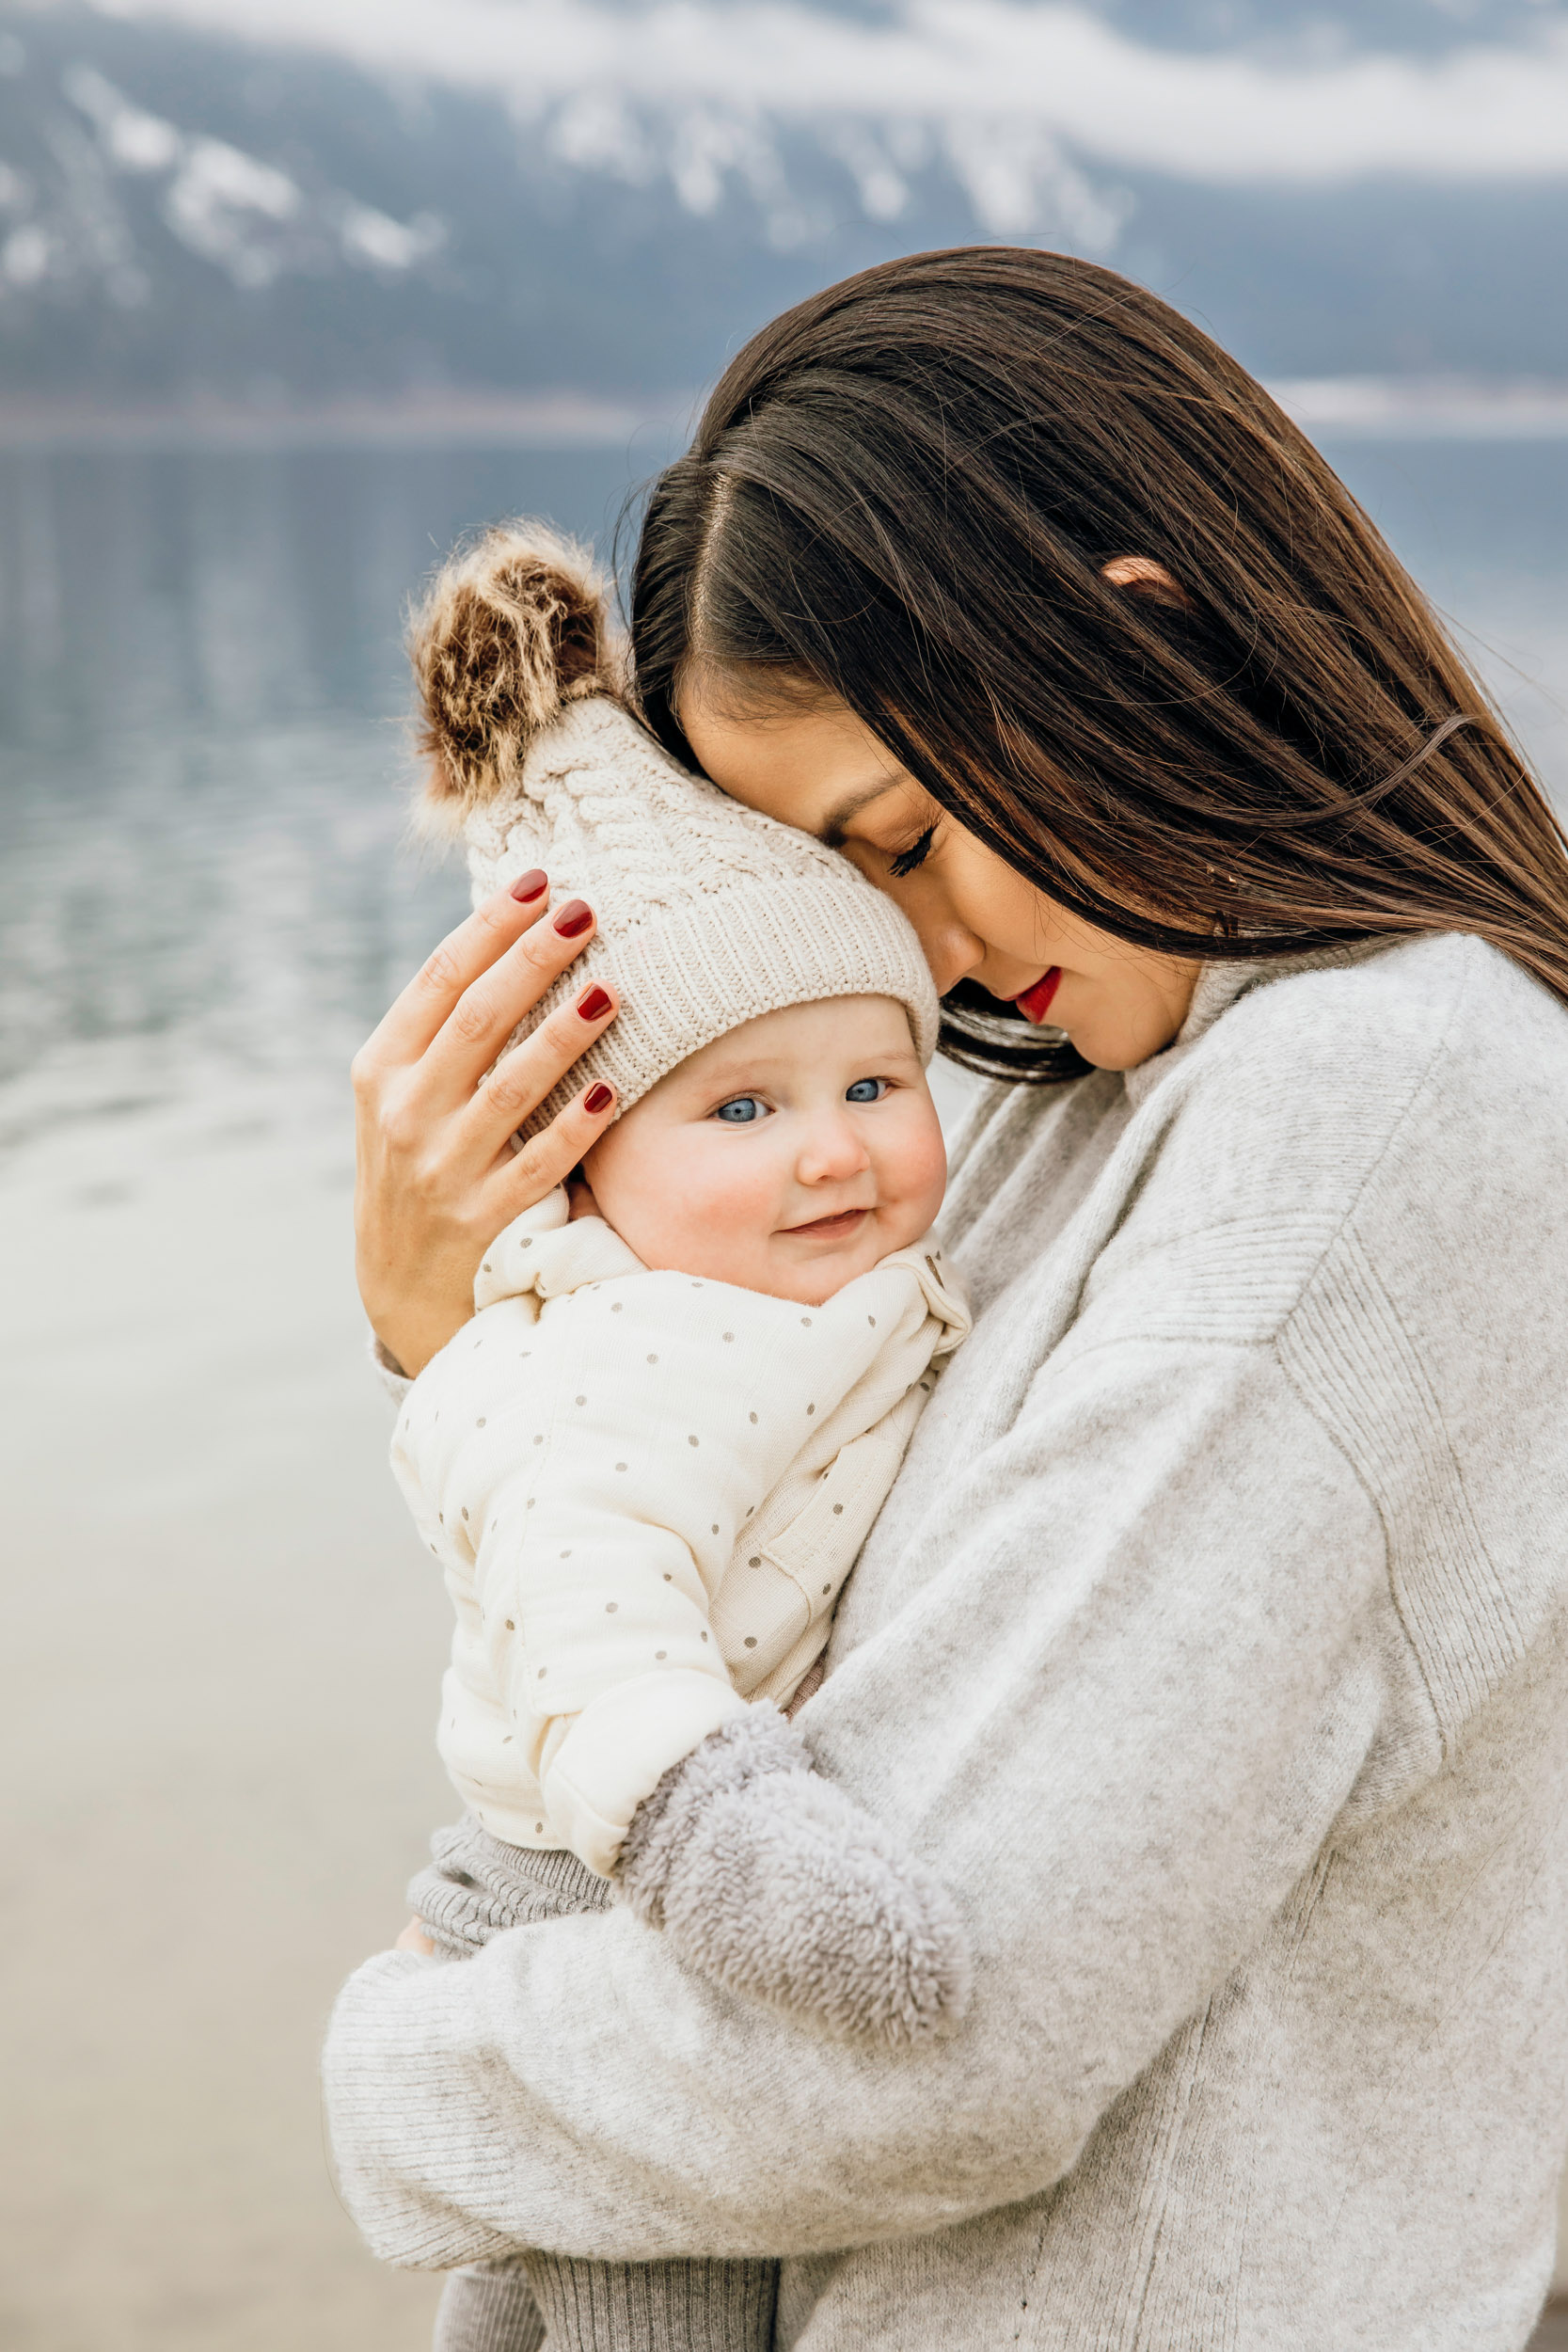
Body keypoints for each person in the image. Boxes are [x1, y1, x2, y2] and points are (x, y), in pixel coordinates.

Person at [327, 248, 1568, 2350]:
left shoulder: (1373, 1114)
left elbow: (946, 2027)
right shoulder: (1069, 1083)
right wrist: (453, 1339)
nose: (916, 959)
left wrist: (408, 2070)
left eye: (897, 839)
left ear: (1129, 637)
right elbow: (738, 1616)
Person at [384, 525, 970, 2352]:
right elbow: (592, 1616)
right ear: (587, 1153)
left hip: (619, 1860)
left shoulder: (815, 1281)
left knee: (537, 2289)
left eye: (876, 1081)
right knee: (672, 2289)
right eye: (740, 1103)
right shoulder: (619, 1351)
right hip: (611, 1868)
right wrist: (728, 1840)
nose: (832, 1147)